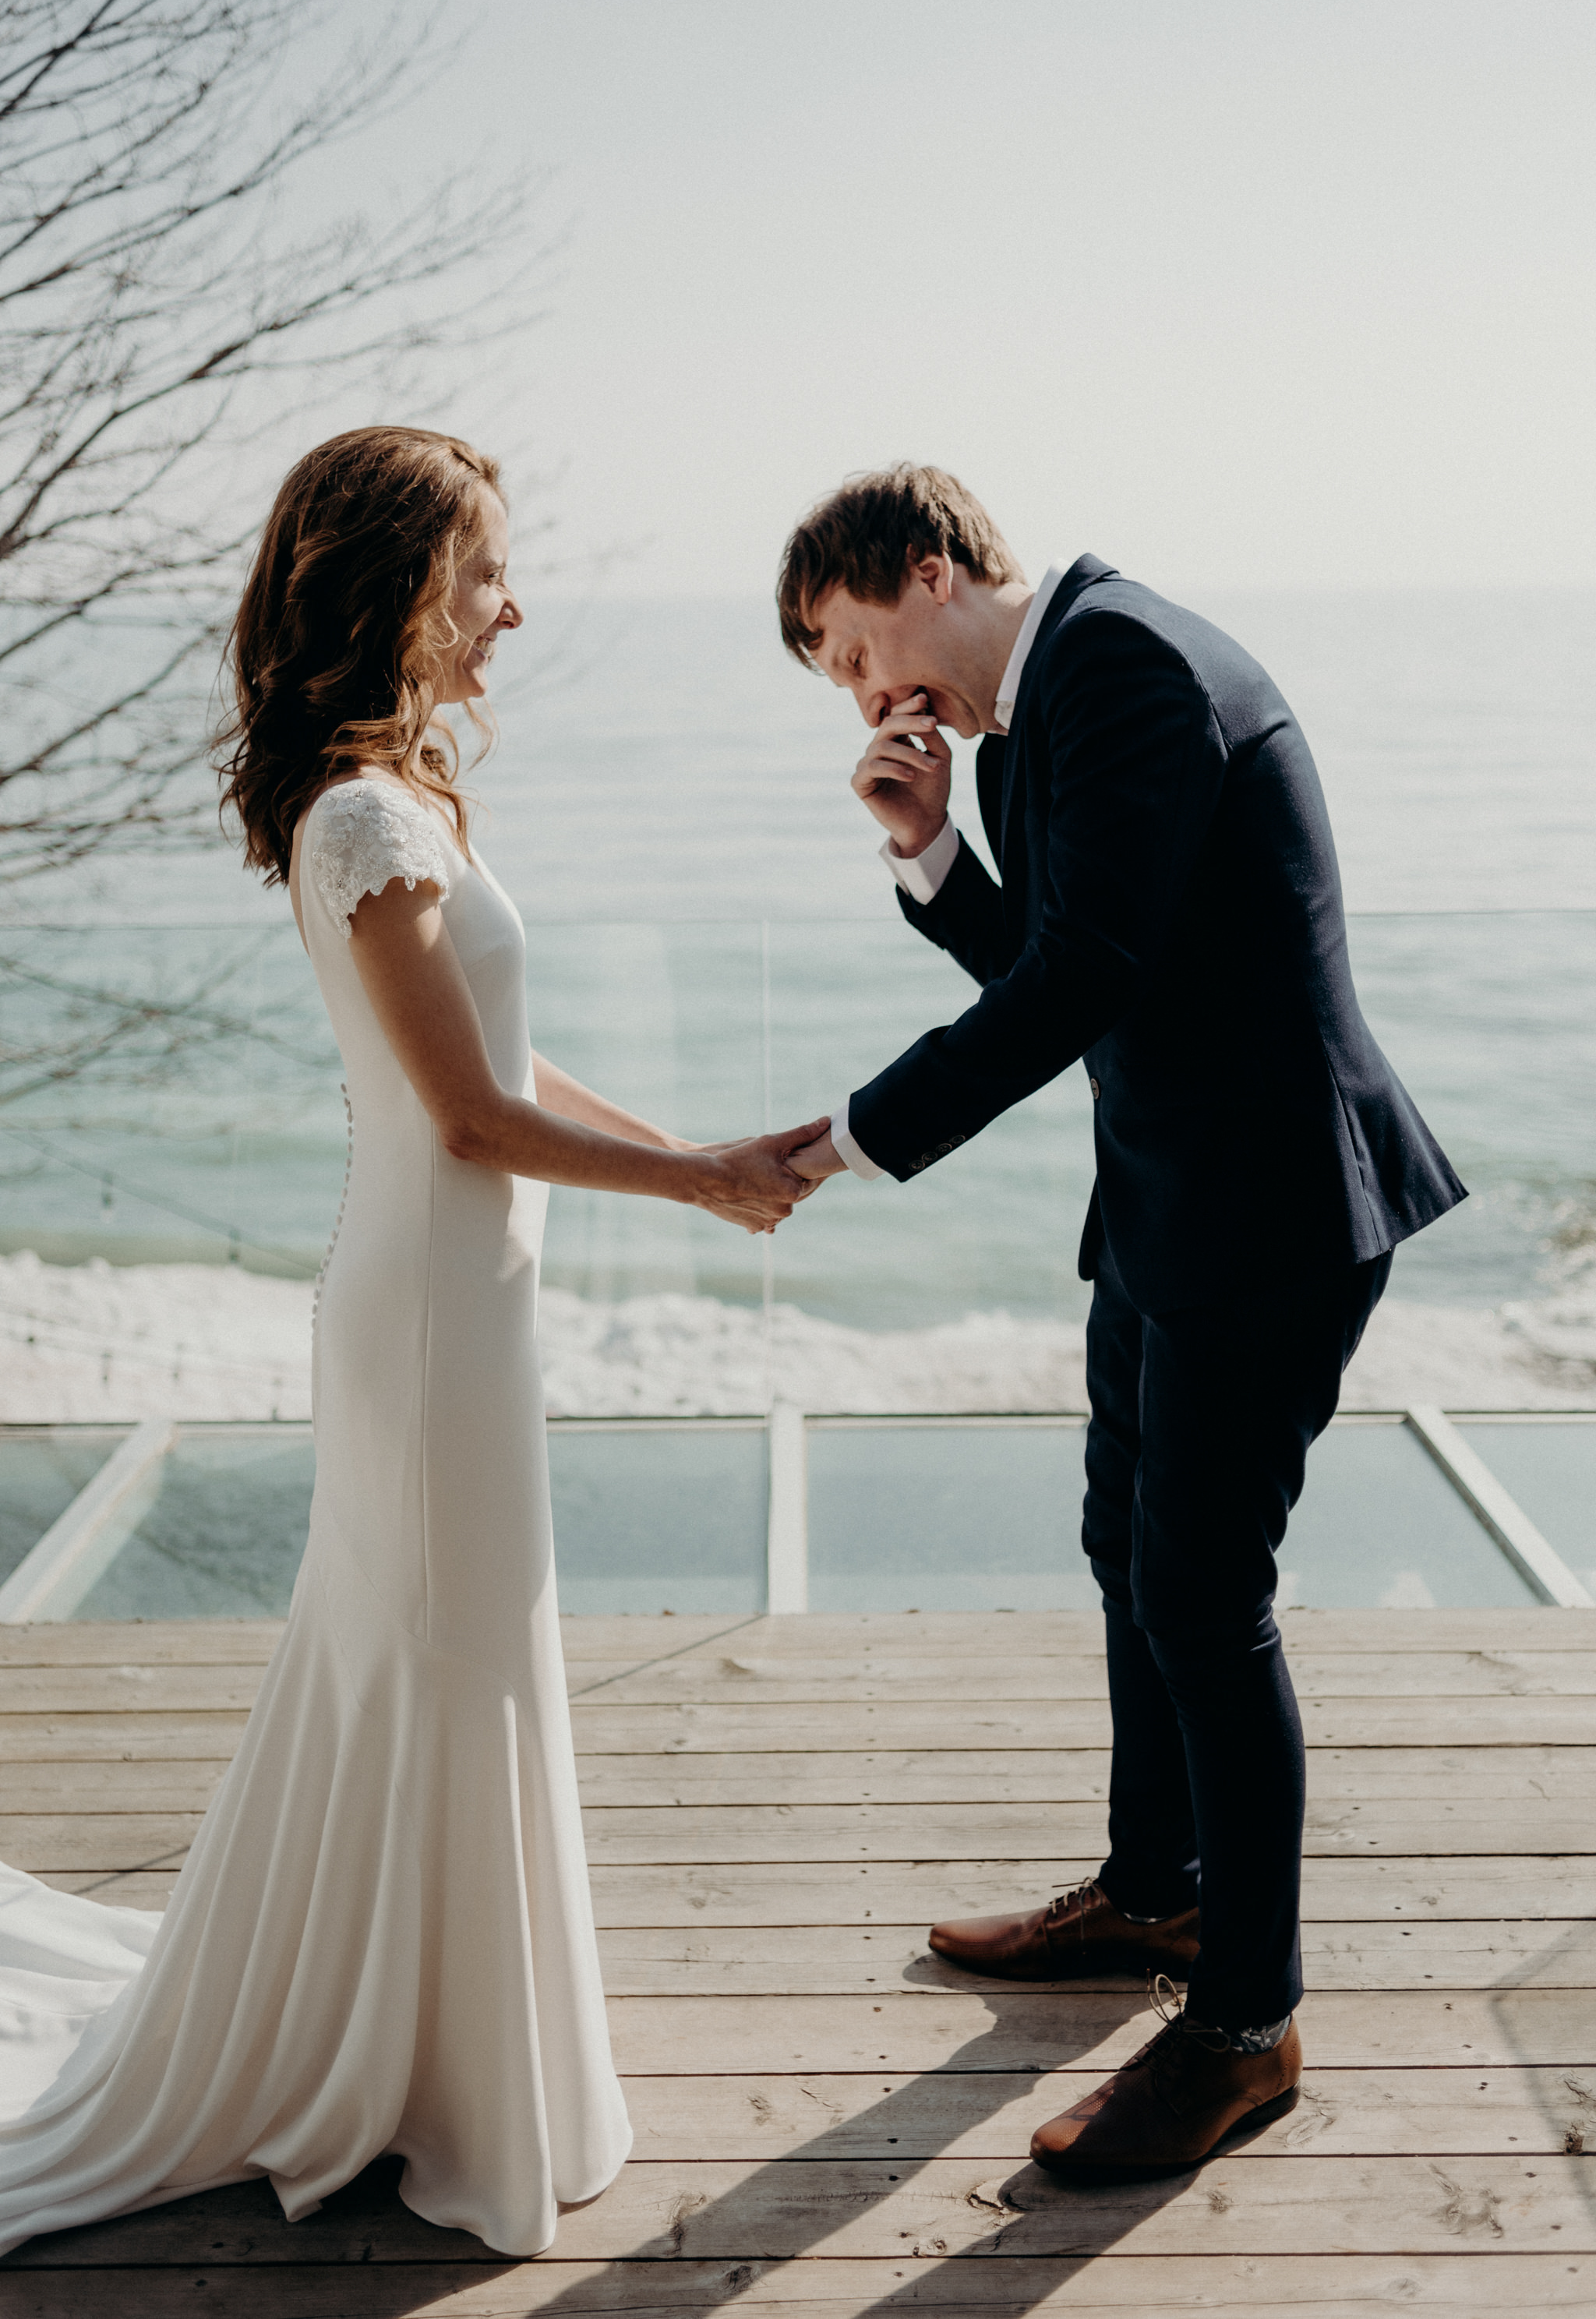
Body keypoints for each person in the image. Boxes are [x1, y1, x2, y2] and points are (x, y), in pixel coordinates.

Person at [0, 426, 817, 2258]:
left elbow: (498, 1078)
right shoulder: (364, 818)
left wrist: (698, 1149)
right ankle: (434, 2074)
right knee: (453, 1652)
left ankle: (436, 2045)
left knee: (453, 1650)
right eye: (484, 575)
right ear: (392, 583)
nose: (510, 606)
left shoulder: (398, 801)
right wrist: (692, 1183)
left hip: (457, 1301)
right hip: (431, 1313)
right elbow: (464, 1116)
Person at [780, 464, 1465, 2180]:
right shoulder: (1041, 713)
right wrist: (930, 851)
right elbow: (1083, 969)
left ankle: (1245, 2024)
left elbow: (1084, 973)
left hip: (1274, 1212)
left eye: (855, 651)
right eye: (844, 685)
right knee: (1122, 1544)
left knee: (1201, 1597)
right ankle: (1155, 1892)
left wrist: (850, 1136)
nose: (869, 699)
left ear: (926, 567)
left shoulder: (1125, 667)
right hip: (1173, 1205)